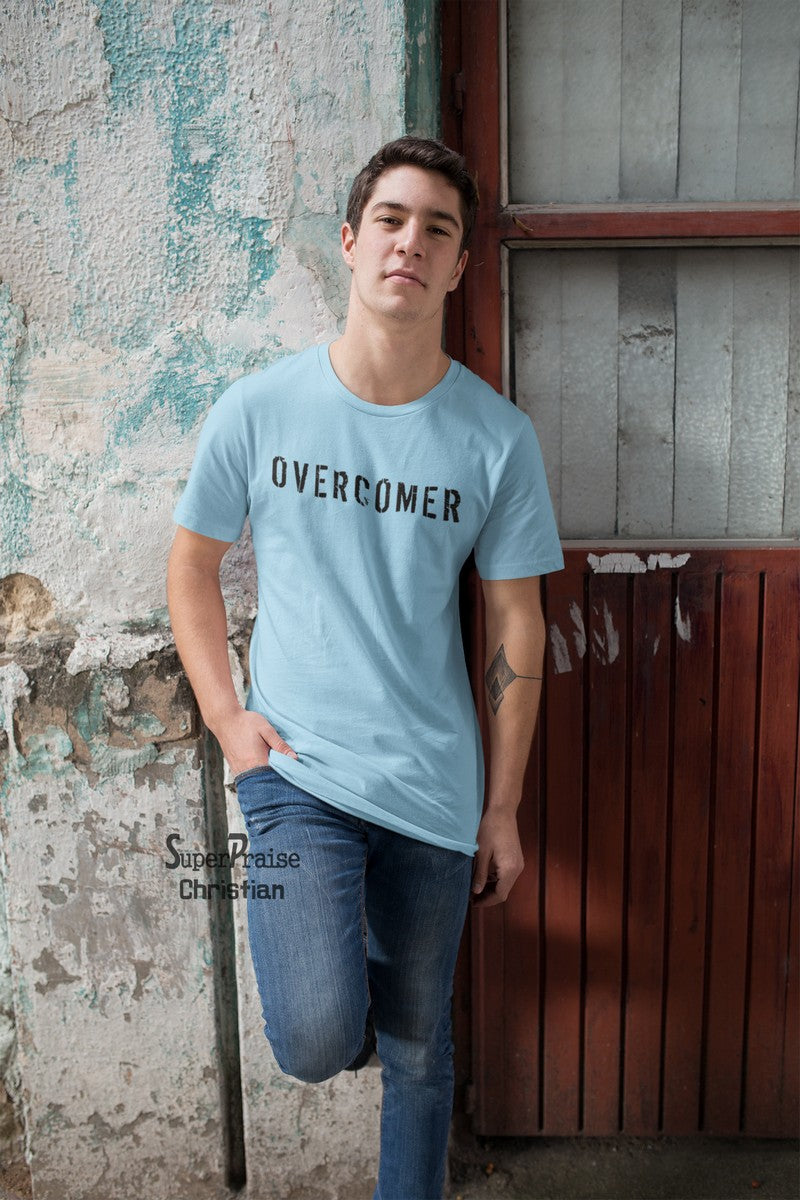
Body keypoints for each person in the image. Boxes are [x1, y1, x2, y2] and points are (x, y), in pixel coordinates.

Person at [166, 135, 563, 1200]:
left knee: (422, 1049)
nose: (409, 243)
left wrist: (502, 808)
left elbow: (516, 626)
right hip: (294, 772)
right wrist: (229, 722)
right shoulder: (260, 408)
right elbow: (190, 569)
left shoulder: (495, 439)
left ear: (459, 265)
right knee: (314, 1036)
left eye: (437, 229)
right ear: (349, 241)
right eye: (390, 219)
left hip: (434, 790)